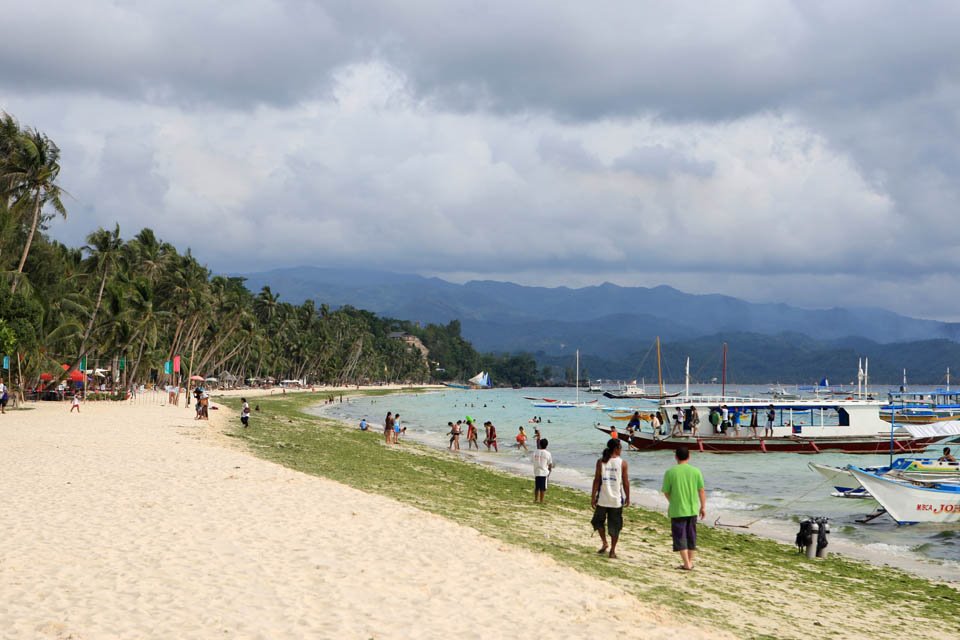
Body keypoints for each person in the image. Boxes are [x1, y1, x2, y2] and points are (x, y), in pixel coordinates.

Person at [661, 447, 706, 571]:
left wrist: (673, 501)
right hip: (692, 509)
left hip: (677, 510)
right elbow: (701, 490)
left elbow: (666, 491)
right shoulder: (696, 471)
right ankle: (689, 562)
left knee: (680, 536)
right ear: (689, 456)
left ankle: (687, 563)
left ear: (676, 457)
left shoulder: (670, 472)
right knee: (691, 536)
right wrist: (703, 507)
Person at [591, 438, 629, 559]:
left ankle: (605, 543)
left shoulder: (600, 462)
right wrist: (628, 496)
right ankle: (612, 550)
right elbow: (626, 482)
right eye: (621, 447)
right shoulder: (622, 463)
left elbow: (596, 480)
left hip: (602, 498)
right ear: (616, 449)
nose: (621, 450)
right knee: (615, 527)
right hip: (616, 500)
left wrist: (593, 496)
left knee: (598, 522)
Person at [532, 438, 554, 503]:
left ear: (540, 444)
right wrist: (550, 470)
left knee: (537, 487)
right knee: (543, 488)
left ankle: (536, 499)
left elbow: (532, 460)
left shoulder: (535, 452)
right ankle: (541, 500)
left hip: (536, 471)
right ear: (546, 445)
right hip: (544, 472)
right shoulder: (548, 453)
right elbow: (550, 464)